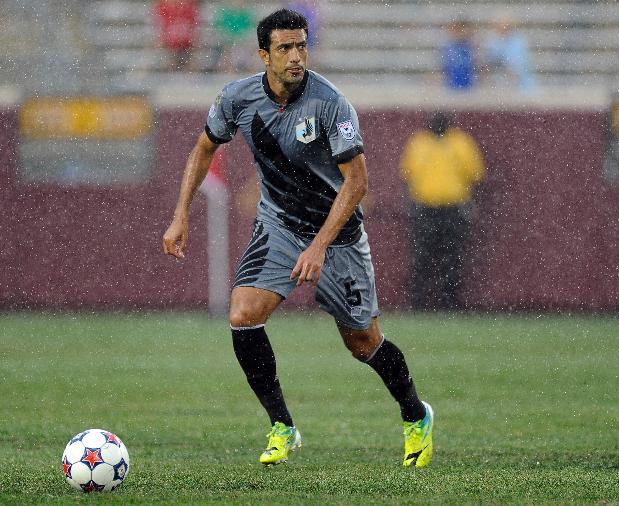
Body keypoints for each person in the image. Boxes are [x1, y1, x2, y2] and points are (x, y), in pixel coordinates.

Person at [162, 9, 434, 468]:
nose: (295, 56)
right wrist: (180, 214)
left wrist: (320, 246)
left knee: (363, 343)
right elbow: (204, 146)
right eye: (285, 47)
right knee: (243, 314)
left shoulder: (331, 104)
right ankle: (282, 426)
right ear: (263, 54)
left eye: (302, 45)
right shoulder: (238, 98)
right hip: (280, 225)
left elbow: (357, 183)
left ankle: (415, 414)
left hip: (339, 238)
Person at [399, 112, 485, 310]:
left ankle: (449, 303)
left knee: (453, 258)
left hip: (453, 208)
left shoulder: (461, 142)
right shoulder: (419, 142)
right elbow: (407, 175)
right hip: (425, 208)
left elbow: (476, 174)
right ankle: (418, 303)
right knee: (421, 259)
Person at [483, 18, 536, 92]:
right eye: (499, 27)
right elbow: (488, 64)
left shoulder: (518, 42)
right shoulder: (493, 42)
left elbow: (519, 66)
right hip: (500, 85)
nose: (502, 29)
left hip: (521, 86)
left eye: (505, 26)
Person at [153, 0, 200, 71]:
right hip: (170, 47)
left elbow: (195, 30)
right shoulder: (164, 9)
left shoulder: (188, 9)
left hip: (185, 47)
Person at [440, 20, 476, 90]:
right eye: (458, 31)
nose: (461, 33)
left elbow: (479, 67)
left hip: (470, 87)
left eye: (463, 31)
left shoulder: (472, 47)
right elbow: (441, 69)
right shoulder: (447, 48)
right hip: (450, 87)